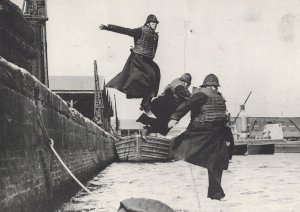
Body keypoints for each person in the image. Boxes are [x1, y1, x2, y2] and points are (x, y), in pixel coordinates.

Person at [168, 73, 231, 200]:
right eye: (214, 86)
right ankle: (167, 152)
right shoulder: (202, 94)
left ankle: (216, 194)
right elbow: (187, 105)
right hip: (202, 130)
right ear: (210, 86)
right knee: (177, 145)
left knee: (217, 161)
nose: (215, 89)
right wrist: (174, 118)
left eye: (215, 87)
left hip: (216, 132)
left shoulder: (218, 96)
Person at [99, 14, 160, 112]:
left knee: (156, 73)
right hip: (138, 59)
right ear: (148, 23)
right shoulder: (141, 30)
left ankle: (146, 103)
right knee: (151, 75)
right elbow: (126, 31)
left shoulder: (155, 35)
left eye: (156, 23)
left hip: (147, 60)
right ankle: (145, 104)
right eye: (153, 23)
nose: (155, 25)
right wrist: (108, 27)